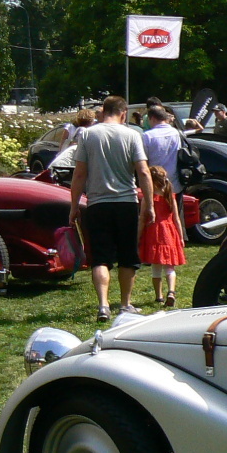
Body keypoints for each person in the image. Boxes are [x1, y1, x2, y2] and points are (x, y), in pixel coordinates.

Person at [70, 94, 154, 320]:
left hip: (97, 204)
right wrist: (149, 204)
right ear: (123, 113)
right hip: (126, 203)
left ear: (103, 111)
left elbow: (79, 174)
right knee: (128, 255)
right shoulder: (132, 135)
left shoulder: (87, 134)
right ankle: (125, 304)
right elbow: (143, 171)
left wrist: (74, 205)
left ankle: (103, 305)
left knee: (100, 257)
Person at [139, 164, 186, 308]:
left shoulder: (148, 199)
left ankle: (159, 296)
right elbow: (176, 219)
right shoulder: (170, 196)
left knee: (156, 267)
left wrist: (138, 236)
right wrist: (181, 236)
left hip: (154, 232)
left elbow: (142, 219)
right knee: (170, 267)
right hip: (170, 232)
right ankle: (171, 291)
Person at [141, 104, 182, 189]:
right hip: (174, 183)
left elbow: (143, 161)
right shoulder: (176, 132)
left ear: (152, 118)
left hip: (155, 184)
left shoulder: (147, 136)